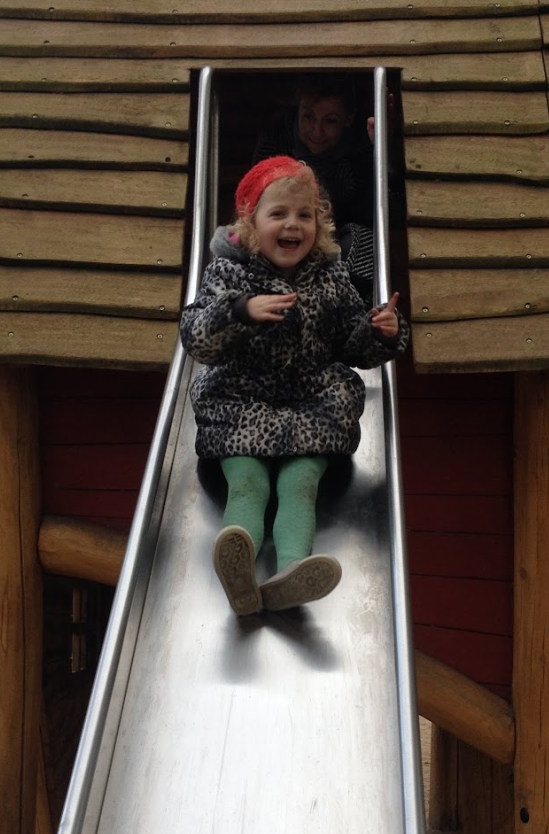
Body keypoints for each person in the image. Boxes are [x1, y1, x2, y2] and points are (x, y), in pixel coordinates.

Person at [179, 156, 408, 616]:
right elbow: (196, 337)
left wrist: (379, 331)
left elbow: (351, 344)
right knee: (248, 483)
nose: (292, 225)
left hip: (311, 405)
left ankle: (291, 573)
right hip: (241, 403)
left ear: (319, 226)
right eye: (278, 214)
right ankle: (239, 573)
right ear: (249, 223)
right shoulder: (229, 275)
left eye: (305, 215)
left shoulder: (331, 277)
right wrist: (240, 311)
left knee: (300, 483)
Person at [252, 76, 376, 294]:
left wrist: (380, 151)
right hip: (283, 234)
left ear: (348, 119)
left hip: (334, 238)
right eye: (308, 117)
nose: (317, 131)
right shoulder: (276, 138)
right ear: (297, 110)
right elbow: (257, 198)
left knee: (362, 240)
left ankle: (354, 300)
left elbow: (374, 210)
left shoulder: (361, 147)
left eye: (330, 121)